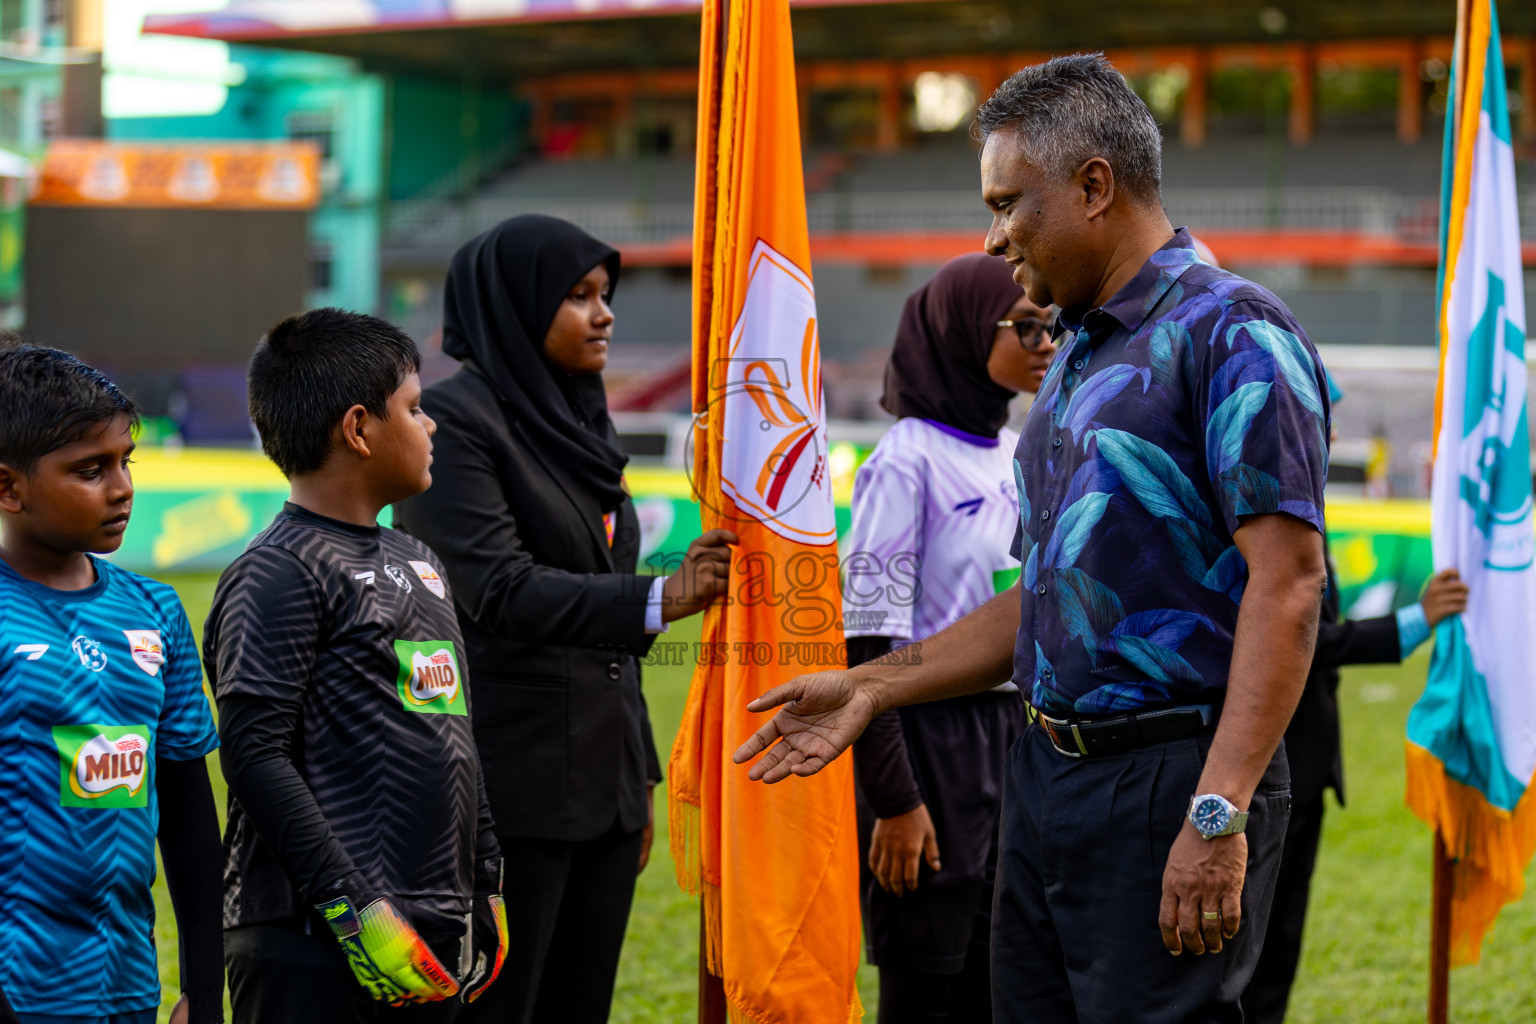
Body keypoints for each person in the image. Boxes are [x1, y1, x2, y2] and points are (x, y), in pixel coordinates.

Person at [733, 53, 1332, 1024]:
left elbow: (1290, 584)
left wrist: (1218, 810)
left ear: (1094, 186)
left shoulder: (1235, 331)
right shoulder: (1076, 359)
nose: (993, 234)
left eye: (1010, 202)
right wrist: (870, 685)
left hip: (1170, 780)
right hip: (1044, 779)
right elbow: (1049, 593)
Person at [392, 215, 733, 1024]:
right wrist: (663, 597)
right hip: (510, 792)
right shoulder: (453, 422)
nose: (604, 314)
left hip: (604, 793)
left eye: (604, 295)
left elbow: (601, 612)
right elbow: (499, 590)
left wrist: (637, 774)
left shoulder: (581, 420)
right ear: (512, 305)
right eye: (577, 296)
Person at [206, 309, 507, 1023]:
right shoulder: (278, 570)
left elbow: (454, 734)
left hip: (428, 934)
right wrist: (353, 908)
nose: (430, 426)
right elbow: (253, 755)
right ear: (358, 429)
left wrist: (487, 879)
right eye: (415, 408)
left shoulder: (419, 561)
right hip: (313, 941)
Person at [845, 251, 1055, 1023]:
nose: (1044, 344)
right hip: (928, 742)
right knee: (927, 983)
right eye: (1023, 326)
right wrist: (896, 802)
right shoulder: (904, 460)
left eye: (1050, 325)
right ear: (965, 332)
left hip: (1011, 736)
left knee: (1000, 980)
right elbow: (867, 646)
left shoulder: (1015, 451)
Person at [0, 344, 223, 1024]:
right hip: (21, 991)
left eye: (126, 462)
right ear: (8, 487)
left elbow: (189, 819)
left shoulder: (155, 613)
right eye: (90, 470)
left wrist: (206, 991)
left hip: (129, 989)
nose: (122, 487)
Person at [1242, 378, 1469, 1024]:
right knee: (1248, 953)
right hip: (1259, 767)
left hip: (1300, 768)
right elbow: (1297, 638)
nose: (1333, 435)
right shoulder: (1253, 507)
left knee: (1278, 945)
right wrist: (1412, 624)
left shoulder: (1296, 501)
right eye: (1320, 418)